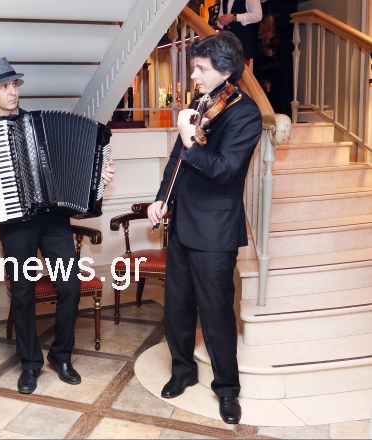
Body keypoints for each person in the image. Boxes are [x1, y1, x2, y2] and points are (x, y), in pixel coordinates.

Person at [0, 57, 115, 394]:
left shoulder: (39, 124)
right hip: (16, 225)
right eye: (3, 87)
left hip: (54, 221)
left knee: (69, 286)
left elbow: (80, 161)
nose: (12, 92)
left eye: (14, 85)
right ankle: (30, 363)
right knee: (23, 293)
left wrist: (100, 175)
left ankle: (61, 356)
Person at [147, 32, 262, 424]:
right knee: (177, 307)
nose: (193, 75)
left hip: (215, 230)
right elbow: (176, 160)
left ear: (226, 72)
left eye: (200, 68)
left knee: (215, 314)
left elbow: (226, 171)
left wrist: (190, 142)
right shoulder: (201, 104)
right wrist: (162, 198)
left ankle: (227, 390)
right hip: (182, 223)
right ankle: (182, 370)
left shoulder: (245, 114)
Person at [217, 0, 262, 67]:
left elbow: (257, 15)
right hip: (227, 44)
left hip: (243, 43)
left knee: (241, 72)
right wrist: (220, 21)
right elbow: (221, 17)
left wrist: (235, 17)